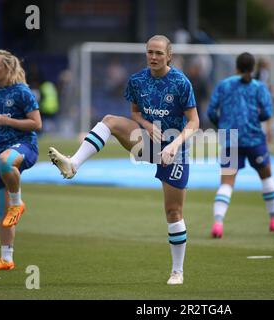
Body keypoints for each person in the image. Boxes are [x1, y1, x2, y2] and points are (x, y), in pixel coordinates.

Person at [48, 35, 199, 285]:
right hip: (148, 142)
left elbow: (194, 122)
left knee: (173, 212)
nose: (153, 57)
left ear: (169, 56)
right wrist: (147, 125)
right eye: (150, 52)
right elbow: (134, 113)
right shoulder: (137, 80)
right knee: (110, 120)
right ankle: (73, 164)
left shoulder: (181, 83)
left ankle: (177, 271)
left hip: (175, 149)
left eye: (159, 53)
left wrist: (173, 145)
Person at [207, 52, 274, 239]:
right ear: (253, 69)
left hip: (230, 138)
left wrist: (224, 125)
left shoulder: (224, 85)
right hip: (254, 139)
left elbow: (211, 111)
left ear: (236, 67)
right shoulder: (259, 87)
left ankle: (218, 223)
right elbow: (267, 113)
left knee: (226, 183)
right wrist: (252, 119)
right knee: (266, 176)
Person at [0, 49, 42, 271]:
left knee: (6, 161)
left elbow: (36, 124)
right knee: (1, 209)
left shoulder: (22, 92)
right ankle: (6, 258)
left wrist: (7, 121)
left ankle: (18, 202)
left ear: (8, 68)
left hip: (25, 147)